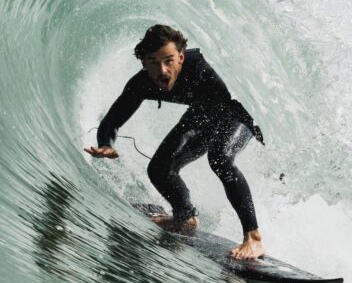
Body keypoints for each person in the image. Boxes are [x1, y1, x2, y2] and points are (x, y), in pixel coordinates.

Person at [85, 24, 266, 260]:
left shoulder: (202, 70)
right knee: (160, 169)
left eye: (169, 60)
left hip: (238, 110)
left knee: (220, 158)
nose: (162, 70)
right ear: (144, 63)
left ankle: (253, 238)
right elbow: (113, 118)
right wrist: (106, 143)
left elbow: (232, 105)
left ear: (181, 57)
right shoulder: (142, 83)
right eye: (153, 62)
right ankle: (185, 217)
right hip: (203, 113)